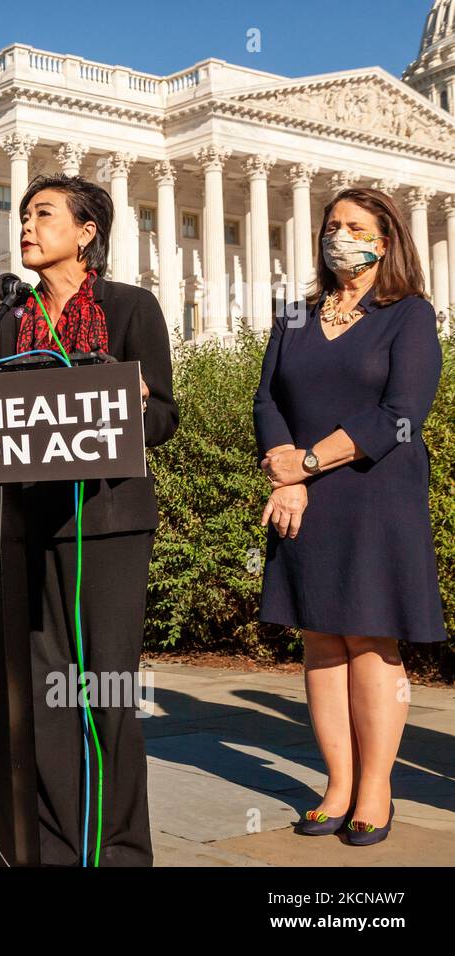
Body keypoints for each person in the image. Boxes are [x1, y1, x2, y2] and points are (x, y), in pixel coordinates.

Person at [0, 174, 178, 866]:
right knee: (47, 698)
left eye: (43, 215)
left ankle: (122, 852)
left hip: (110, 523)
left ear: (87, 232)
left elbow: (162, 418)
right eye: (25, 216)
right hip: (29, 529)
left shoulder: (130, 308)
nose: (26, 226)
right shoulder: (8, 321)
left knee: (108, 693)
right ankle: (61, 848)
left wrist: (124, 400)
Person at [254, 187, 444, 846]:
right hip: (304, 493)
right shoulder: (298, 315)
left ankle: (375, 787)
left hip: (373, 492)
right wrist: (284, 465)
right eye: (333, 224)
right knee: (319, 638)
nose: (341, 234)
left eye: (356, 226)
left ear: (386, 239)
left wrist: (303, 465)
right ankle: (337, 782)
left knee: (369, 637)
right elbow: (267, 399)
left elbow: (401, 415)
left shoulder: (409, 315)